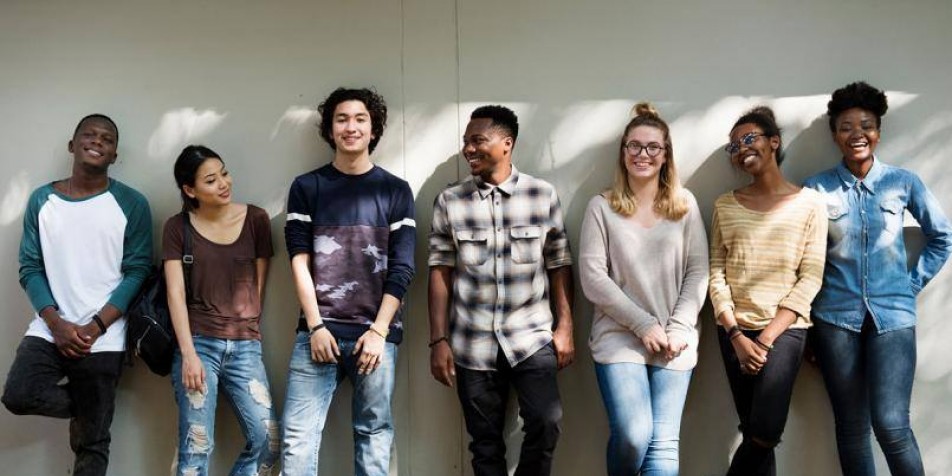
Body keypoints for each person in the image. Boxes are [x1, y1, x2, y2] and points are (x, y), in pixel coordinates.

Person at [804, 81, 952, 476]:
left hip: (894, 321)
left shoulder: (903, 182)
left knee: (892, 425)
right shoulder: (816, 188)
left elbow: (941, 236)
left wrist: (911, 284)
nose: (857, 134)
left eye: (866, 125)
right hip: (835, 320)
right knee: (852, 429)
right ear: (835, 134)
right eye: (846, 126)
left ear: (878, 132)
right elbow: (804, 258)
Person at [428, 105, 575, 476]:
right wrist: (438, 340)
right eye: (466, 142)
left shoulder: (542, 196)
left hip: (532, 336)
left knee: (547, 422)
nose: (468, 149)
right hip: (471, 340)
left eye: (478, 140)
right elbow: (440, 271)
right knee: (485, 446)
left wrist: (565, 327)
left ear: (507, 143)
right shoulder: (450, 201)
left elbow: (558, 264)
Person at [2, 114, 152, 476]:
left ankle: (94, 415)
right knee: (19, 395)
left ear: (115, 155)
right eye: (89, 134)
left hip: (104, 337)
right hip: (49, 329)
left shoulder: (131, 203)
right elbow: (30, 268)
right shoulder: (42, 200)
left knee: (92, 444)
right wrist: (56, 324)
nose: (97, 141)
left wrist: (97, 326)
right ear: (73, 145)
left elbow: (137, 270)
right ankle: (93, 408)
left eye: (107, 139)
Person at [281, 87, 416, 476]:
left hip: (375, 337)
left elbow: (403, 268)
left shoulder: (395, 190)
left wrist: (378, 331)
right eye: (342, 119)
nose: (351, 127)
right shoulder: (307, 188)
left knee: (374, 436)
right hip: (317, 334)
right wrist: (316, 325)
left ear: (373, 129)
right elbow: (299, 262)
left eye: (360, 119)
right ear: (329, 129)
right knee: (297, 439)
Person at [579, 102, 709, 476]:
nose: (643, 154)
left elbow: (698, 270)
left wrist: (679, 327)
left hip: (675, 340)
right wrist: (642, 324)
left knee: (663, 452)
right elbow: (593, 277)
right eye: (634, 146)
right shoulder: (601, 207)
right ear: (623, 153)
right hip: (619, 336)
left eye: (653, 147)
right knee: (635, 435)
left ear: (666, 155)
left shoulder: (685, 206)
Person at [709, 106, 827, 475]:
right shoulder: (725, 205)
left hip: (785, 330)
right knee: (753, 428)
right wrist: (736, 335)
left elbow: (810, 276)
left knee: (766, 429)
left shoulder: (810, 204)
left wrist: (764, 341)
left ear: (773, 142)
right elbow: (716, 274)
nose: (742, 148)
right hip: (734, 330)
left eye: (749, 138)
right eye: (734, 146)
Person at [164, 145, 278, 475]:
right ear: (190, 190)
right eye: (211, 180)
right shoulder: (177, 227)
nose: (224, 183)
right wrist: (188, 355)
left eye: (224, 173)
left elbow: (258, 287)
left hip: (245, 347)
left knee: (268, 442)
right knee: (196, 448)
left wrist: (247, 329)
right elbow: (175, 292)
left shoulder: (256, 219)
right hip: (198, 344)